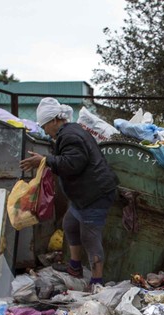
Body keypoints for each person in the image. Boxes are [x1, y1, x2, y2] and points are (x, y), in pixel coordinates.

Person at [20, 98, 118, 288]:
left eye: (45, 125)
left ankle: (97, 282)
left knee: (90, 236)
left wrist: (45, 160)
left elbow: (73, 164)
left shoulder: (70, 136)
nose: (44, 130)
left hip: (94, 195)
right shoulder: (71, 131)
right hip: (84, 195)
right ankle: (75, 267)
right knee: (70, 223)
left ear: (55, 120)